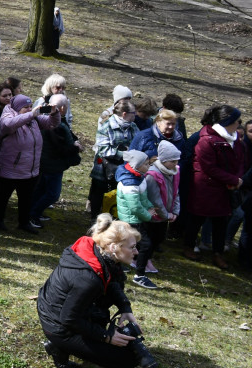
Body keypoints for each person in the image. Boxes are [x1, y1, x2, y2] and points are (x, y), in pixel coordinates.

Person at [37, 214, 156, 368]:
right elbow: (68, 319)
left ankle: (73, 342)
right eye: (132, 247)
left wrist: (124, 307)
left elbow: (112, 283)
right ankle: (58, 346)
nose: (136, 252)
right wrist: (106, 336)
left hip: (57, 310)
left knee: (107, 316)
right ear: (114, 247)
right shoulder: (88, 279)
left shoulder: (97, 251)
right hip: (58, 326)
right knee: (128, 359)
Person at [183, 105, 247, 269]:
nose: (239, 123)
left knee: (221, 222)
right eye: (237, 121)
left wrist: (236, 179)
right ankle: (189, 246)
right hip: (206, 187)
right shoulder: (206, 140)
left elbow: (240, 160)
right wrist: (233, 179)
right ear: (227, 122)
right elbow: (209, 167)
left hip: (225, 187)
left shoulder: (234, 138)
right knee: (197, 218)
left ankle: (218, 253)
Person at [0, 94, 60, 234]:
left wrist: (54, 113)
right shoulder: (7, 117)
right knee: (3, 197)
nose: (29, 109)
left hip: (30, 169)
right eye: (25, 107)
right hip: (9, 168)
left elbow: (52, 123)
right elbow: (9, 125)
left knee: (26, 199)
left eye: (30, 106)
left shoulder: (34, 119)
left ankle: (24, 223)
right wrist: (32, 114)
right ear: (17, 108)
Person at [30, 94, 82, 226]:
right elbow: (60, 148)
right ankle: (33, 215)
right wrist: (76, 148)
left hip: (46, 162)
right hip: (52, 165)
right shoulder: (55, 124)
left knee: (40, 190)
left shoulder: (50, 119)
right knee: (53, 194)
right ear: (63, 108)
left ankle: (33, 213)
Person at [137, 141, 181, 286]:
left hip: (165, 215)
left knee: (159, 238)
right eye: (172, 161)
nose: (175, 164)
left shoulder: (174, 172)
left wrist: (175, 211)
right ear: (164, 160)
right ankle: (139, 263)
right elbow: (155, 199)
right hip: (153, 216)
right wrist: (166, 214)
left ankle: (147, 259)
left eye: (176, 161)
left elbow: (176, 193)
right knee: (147, 241)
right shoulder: (152, 175)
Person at [87, 99, 139, 219]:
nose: (135, 115)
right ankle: (95, 219)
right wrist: (125, 154)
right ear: (124, 114)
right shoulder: (107, 126)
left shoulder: (133, 126)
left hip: (124, 168)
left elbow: (137, 144)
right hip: (103, 168)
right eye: (133, 113)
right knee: (99, 194)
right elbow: (104, 150)